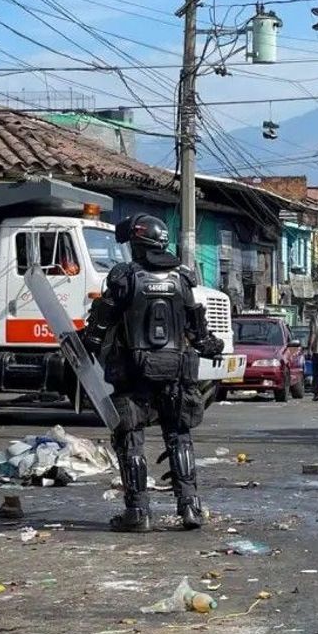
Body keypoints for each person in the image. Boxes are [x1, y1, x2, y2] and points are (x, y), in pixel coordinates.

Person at [82, 214, 225, 533]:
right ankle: (190, 507)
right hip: (177, 372)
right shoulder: (183, 279)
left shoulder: (123, 277)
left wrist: (85, 342)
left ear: (137, 245)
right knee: (179, 436)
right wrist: (213, 346)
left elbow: (99, 323)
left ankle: (139, 512)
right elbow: (200, 333)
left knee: (130, 438)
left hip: (133, 373)